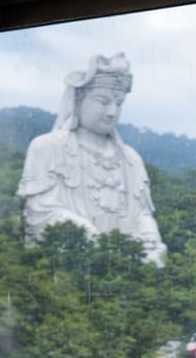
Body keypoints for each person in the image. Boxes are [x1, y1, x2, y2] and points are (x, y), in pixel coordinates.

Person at [17, 53, 167, 265]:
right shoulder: (48, 148)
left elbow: (140, 213)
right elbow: (39, 213)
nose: (111, 112)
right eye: (103, 101)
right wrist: (87, 235)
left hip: (127, 265)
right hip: (71, 265)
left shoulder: (131, 160)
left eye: (119, 103)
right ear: (78, 101)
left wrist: (149, 236)